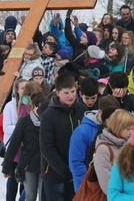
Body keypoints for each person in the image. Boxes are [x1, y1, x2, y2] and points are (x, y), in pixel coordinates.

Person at [39, 73, 88, 201]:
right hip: (55, 174)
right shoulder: (49, 115)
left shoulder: (82, 110)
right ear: (58, 93)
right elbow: (47, 148)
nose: (71, 96)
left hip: (78, 173)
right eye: (66, 93)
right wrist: (66, 171)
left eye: (73, 91)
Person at [69, 95, 120, 192]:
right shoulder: (81, 132)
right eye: (111, 117)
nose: (114, 121)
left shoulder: (115, 129)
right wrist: (86, 186)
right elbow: (76, 163)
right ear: (100, 112)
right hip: (89, 187)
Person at [2, 92, 46, 201]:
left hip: (45, 164)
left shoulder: (48, 122)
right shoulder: (24, 122)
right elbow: (14, 144)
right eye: (37, 106)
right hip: (29, 163)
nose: (40, 110)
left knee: (43, 196)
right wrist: (6, 166)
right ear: (32, 107)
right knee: (30, 195)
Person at [94, 109, 134, 195]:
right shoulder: (104, 149)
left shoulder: (127, 143)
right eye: (128, 129)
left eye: (133, 129)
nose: (131, 133)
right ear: (118, 127)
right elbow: (107, 185)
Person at [2, 78, 28, 201]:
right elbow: (6, 127)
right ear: (17, 91)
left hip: (27, 148)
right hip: (13, 147)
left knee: (25, 180)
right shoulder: (10, 106)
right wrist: (21, 128)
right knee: (13, 179)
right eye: (22, 88)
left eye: (27, 87)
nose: (25, 90)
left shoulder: (31, 104)